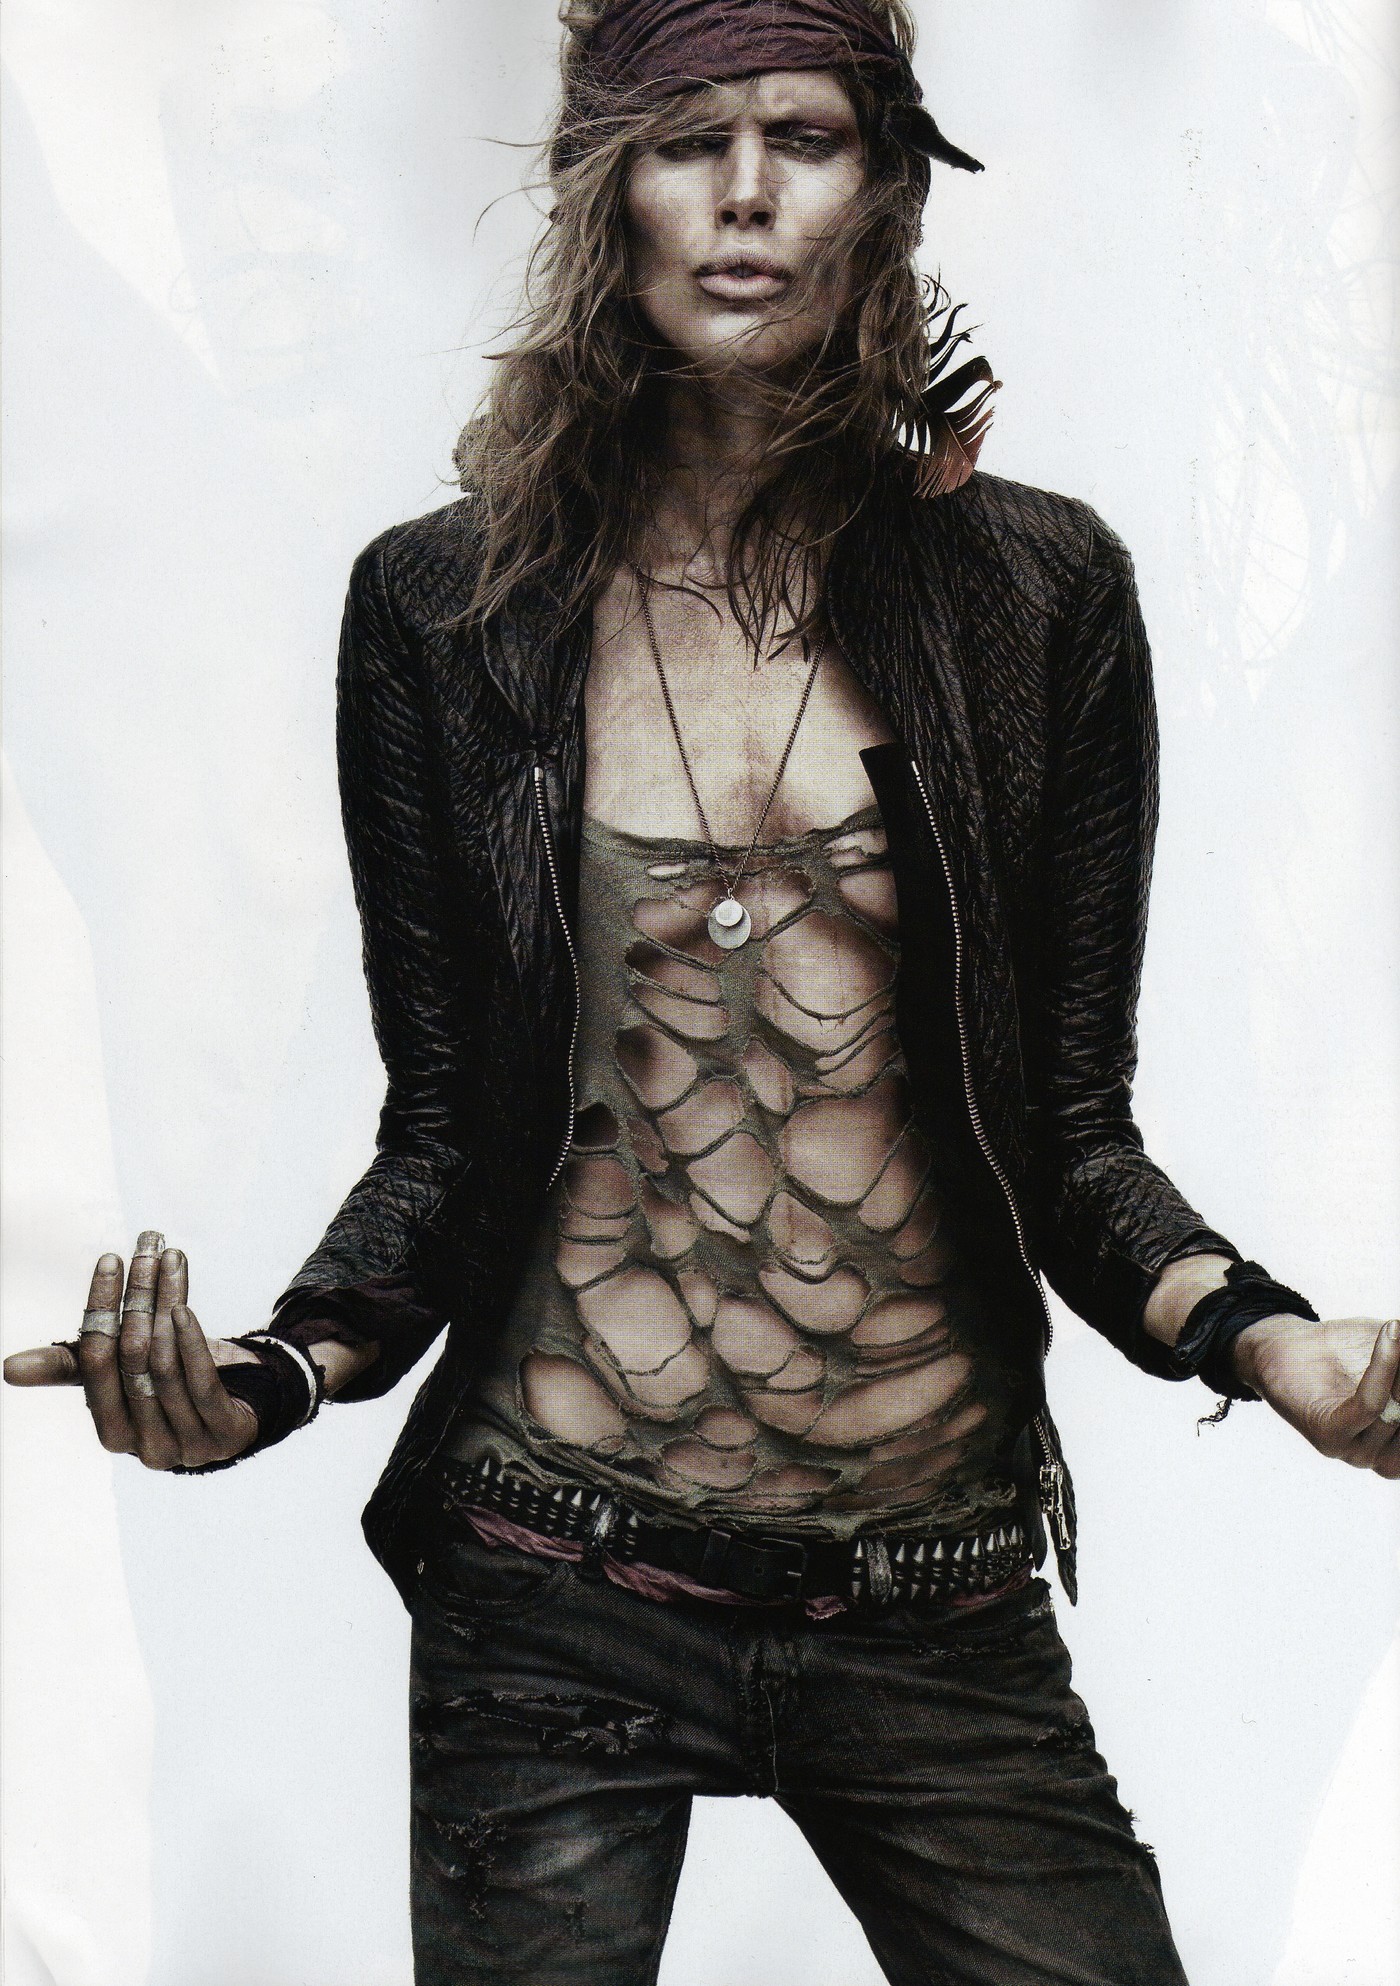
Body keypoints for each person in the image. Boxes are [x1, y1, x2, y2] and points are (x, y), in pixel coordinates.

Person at [6, 1, 1398, 1981]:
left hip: (932, 1591)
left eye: (802, 139)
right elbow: (442, 1138)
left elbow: (1072, 1139)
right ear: (609, 193)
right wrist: (274, 1374)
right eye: (686, 142)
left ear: (885, 190)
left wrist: (1275, 1347)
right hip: (549, 1575)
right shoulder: (445, 608)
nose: (744, 196)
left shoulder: (1035, 596)